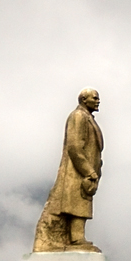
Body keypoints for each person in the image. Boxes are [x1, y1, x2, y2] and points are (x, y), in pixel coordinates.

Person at [33, 88, 103, 252]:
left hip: (88, 171)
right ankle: (76, 238)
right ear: (84, 100)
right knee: (76, 202)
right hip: (77, 170)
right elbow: (74, 147)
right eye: (95, 98)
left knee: (81, 202)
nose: (98, 101)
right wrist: (88, 171)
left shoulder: (88, 118)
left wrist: (96, 170)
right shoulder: (78, 116)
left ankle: (77, 237)